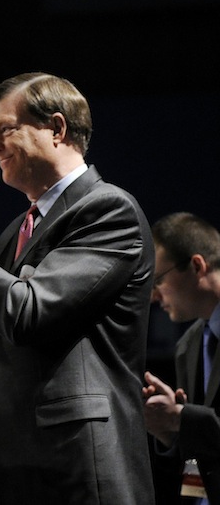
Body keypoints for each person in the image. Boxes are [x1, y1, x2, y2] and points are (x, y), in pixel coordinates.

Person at [0, 72, 155, 504]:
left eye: (5, 129)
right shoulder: (15, 232)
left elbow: (27, 313)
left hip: (79, 471)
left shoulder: (108, 210)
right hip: (14, 474)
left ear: (56, 128)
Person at [143, 212, 220, 504]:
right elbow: (198, 458)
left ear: (197, 265)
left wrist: (182, 418)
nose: (152, 297)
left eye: (158, 281)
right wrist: (169, 432)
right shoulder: (188, 346)